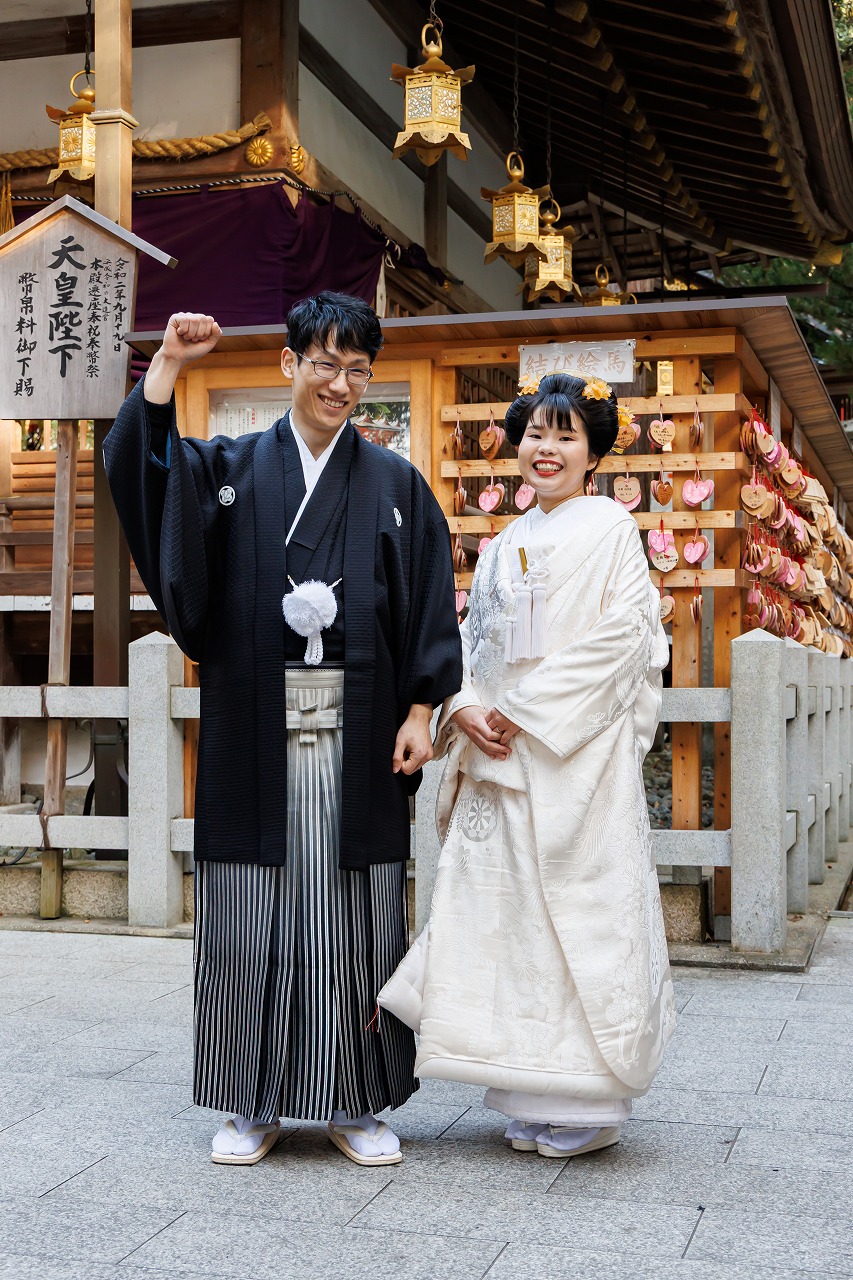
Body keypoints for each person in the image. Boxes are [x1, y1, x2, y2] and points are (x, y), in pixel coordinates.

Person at [104, 293, 462, 1167]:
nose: (339, 383)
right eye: (324, 363)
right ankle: (250, 1101)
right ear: (288, 363)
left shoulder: (394, 485)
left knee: (353, 913)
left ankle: (354, 1100)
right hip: (255, 719)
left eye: (357, 370)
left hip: (361, 722)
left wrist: (422, 709)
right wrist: (167, 367)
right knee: (248, 907)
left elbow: (425, 599)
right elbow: (143, 471)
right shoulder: (230, 468)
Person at [411, 372, 675, 1158]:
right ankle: (527, 1089)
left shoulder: (610, 529)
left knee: (578, 917)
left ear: (593, 453)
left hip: (573, 756)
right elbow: (473, 641)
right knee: (511, 921)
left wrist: (524, 709)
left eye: (565, 435)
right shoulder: (503, 544)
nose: (546, 449)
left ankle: (589, 1099)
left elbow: (624, 639)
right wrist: (463, 705)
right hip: (500, 752)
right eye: (535, 433)